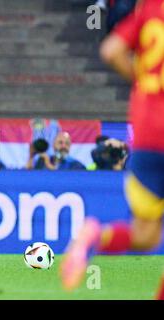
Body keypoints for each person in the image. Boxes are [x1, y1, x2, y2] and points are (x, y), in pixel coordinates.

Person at [61, 0, 164, 300]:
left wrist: (143, 83)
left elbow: (110, 50)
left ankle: (96, 237)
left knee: (146, 236)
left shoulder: (150, 10)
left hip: (147, 135)